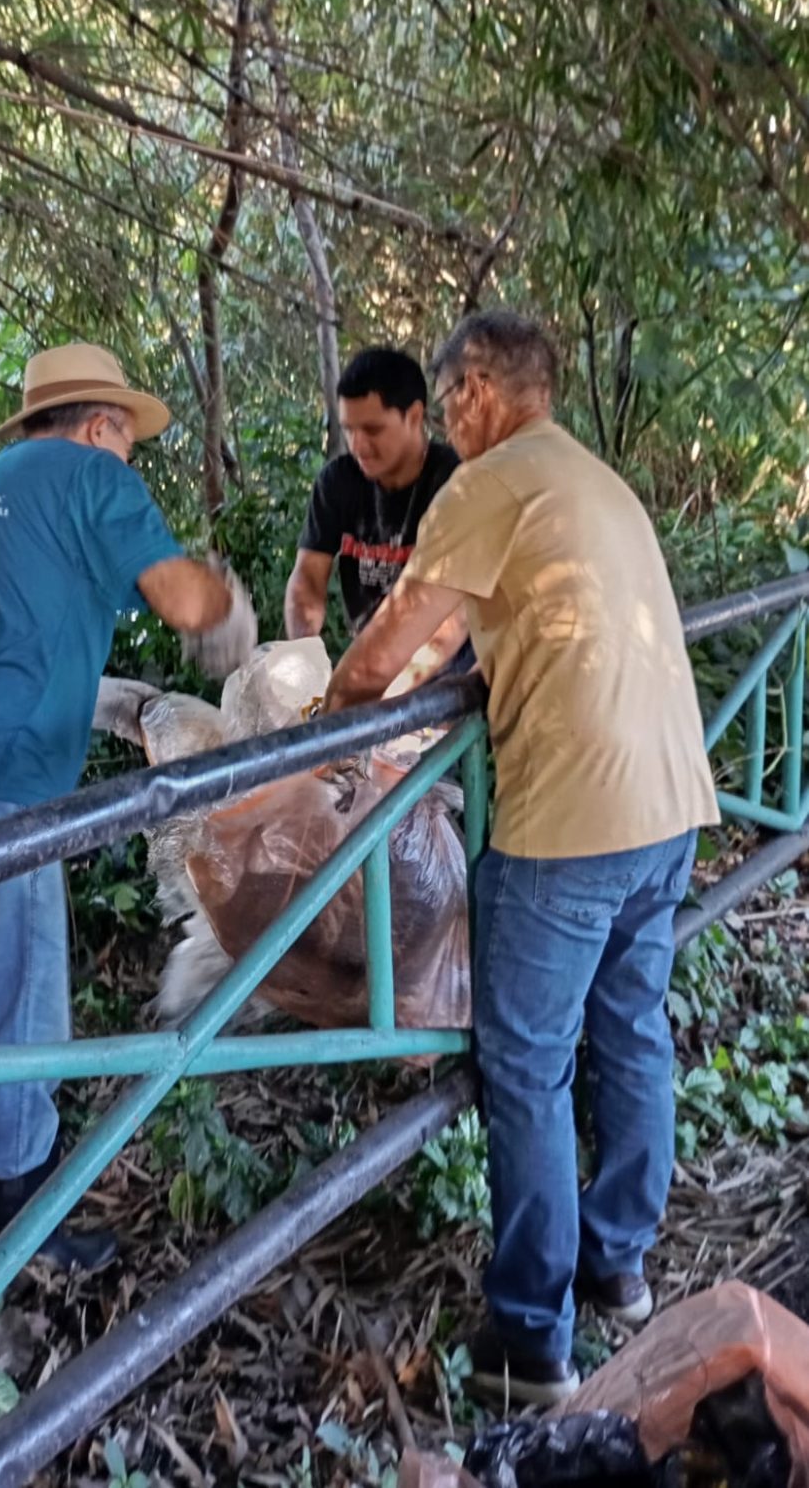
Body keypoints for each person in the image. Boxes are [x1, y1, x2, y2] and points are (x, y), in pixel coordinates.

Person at [322, 311, 718, 1406]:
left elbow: (390, 645)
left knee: (529, 1063)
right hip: (669, 804)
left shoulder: (486, 483)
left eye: (449, 402)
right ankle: (618, 1264)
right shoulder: (597, 483)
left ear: (478, 393)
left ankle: (532, 1337)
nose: (449, 424)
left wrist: (321, 725)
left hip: (572, 821)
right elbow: (484, 631)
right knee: (631, 1026)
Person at [0, 342, 257, 1266]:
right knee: (15, 995)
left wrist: (95, 692)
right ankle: (14, 1226)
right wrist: (230, 610)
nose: (128, 460)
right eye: (126, 442)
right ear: (97, 427)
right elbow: (184, 601)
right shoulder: (93, 476)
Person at [283, 347, 471, 683]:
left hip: (450, 673)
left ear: (415, 416)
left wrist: (385, 687)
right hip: (373, 663)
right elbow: (308, 576)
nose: (357, 446)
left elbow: (456, 616)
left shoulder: (458, 482)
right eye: (349, 430)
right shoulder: (337, 483)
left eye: (372, 430)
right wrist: (303, 651)